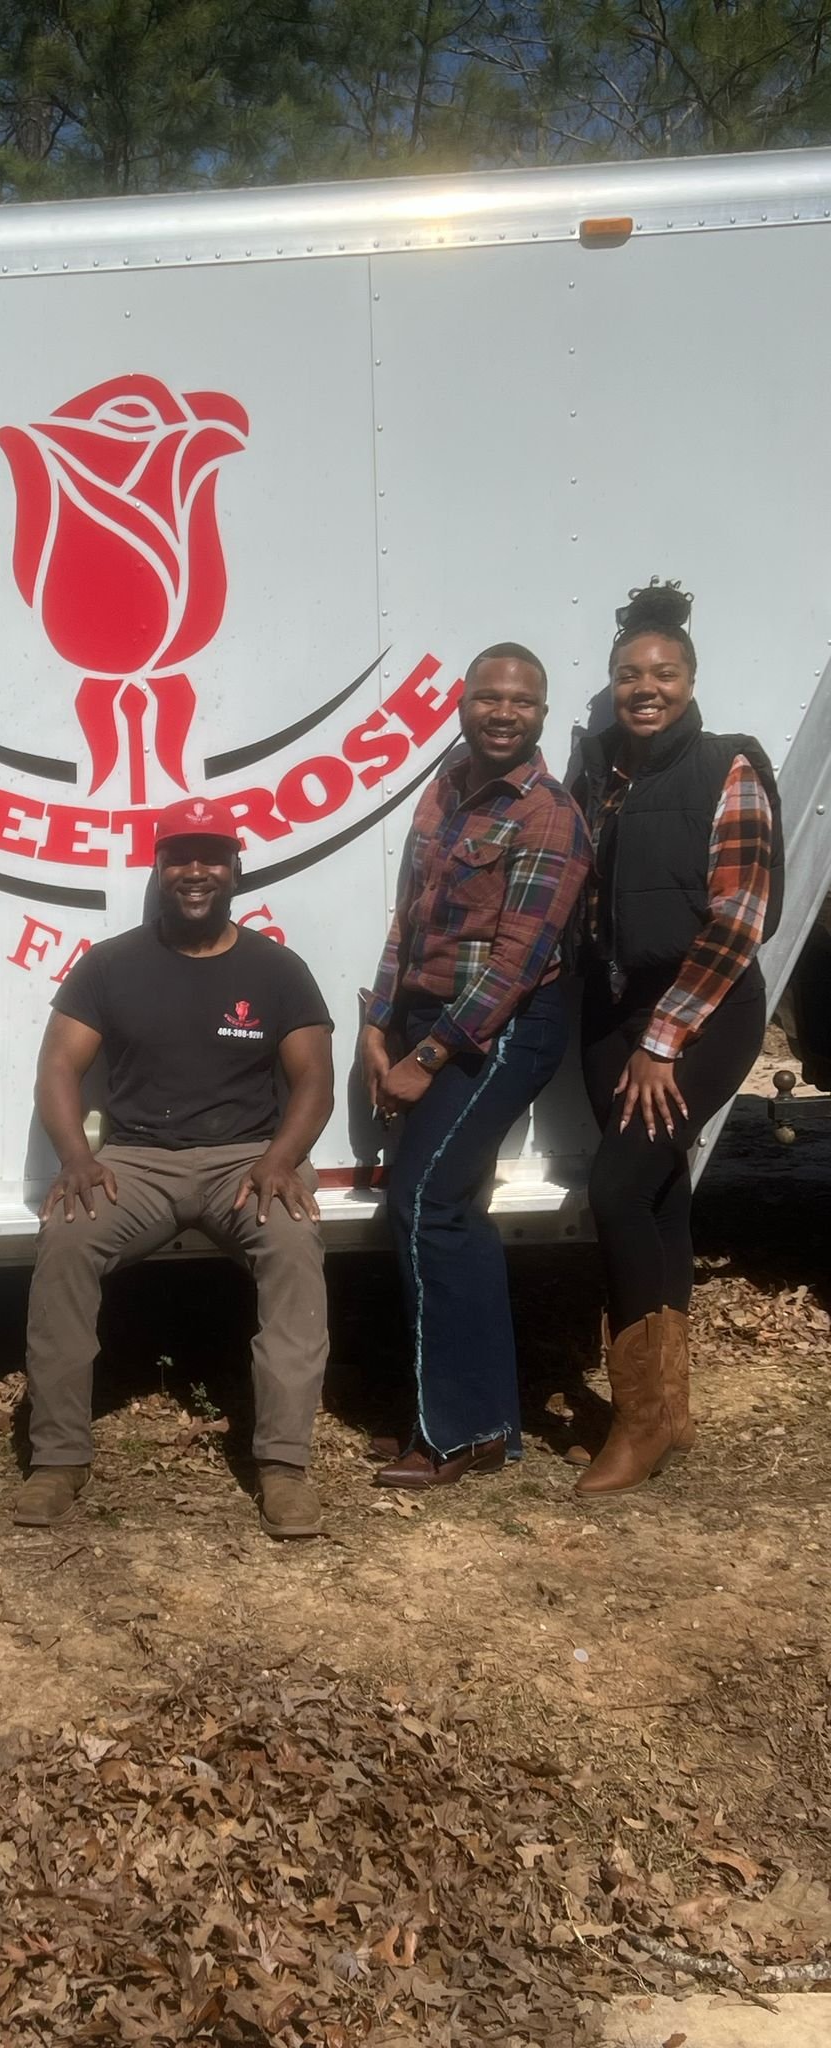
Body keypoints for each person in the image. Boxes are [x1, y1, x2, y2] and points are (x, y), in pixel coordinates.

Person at [15, 796, 335, 1540]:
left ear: (235, 870)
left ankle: (284, 1468)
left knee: (293, 1244)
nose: (196, 871)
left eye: (212, 857)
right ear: (158, 869)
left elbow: (314, 1080)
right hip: (137, 1160)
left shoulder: (277, 968)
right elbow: (58, 1067)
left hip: (246, 1160)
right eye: (179, 857)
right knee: (66, 1239)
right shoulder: (111, 964)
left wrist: (282, 1159)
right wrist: (76, 1158)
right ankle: (58, 1460)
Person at [359, 645, 592, 1489]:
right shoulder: (446, 789)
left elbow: (518, 962)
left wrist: (427, 1057)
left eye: (521, 702)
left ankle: (454, 1434)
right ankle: (479, 1422)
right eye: (488, 697)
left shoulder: (549, 815)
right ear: (463, 706)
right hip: (431, 1019)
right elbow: (409, 920)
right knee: (448, 1207)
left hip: (503, 1031)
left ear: (541, 713)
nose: (503, 713)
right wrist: (379, 1022)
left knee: (427, 1203)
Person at [573, 582, 781, 1496]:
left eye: (662, 674)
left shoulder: (728, 767)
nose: (645, 688)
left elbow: (741, 916)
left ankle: (641, 1421)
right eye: (629, 675)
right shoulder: (601, 773)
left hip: (703, 1012)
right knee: (657, 1193)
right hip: (614, 1011)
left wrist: (663, 1039)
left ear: (691, 681)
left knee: (616, 1188)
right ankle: (673, 1408)